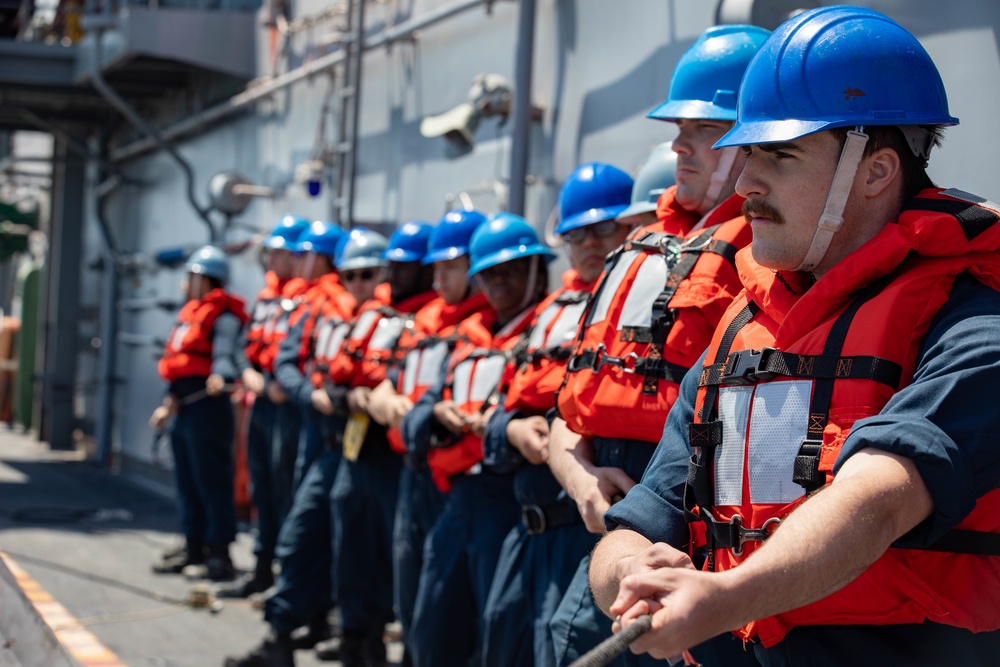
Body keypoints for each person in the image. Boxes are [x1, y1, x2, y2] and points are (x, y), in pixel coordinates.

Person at [593, 7, 1000, 667]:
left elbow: (883, 493)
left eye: (779, 155)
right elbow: (637, 521)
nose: (747, 181)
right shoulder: (739, 336)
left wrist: (727, 594)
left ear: (874, 172)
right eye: (747, 153)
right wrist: (633, 573)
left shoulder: (974, 327)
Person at [546, 25, 769, 667]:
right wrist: (576, 470)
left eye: (702, 129)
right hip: (598, 503)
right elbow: (571, 398)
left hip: (677, 515)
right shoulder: (653, 244)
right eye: (680, 129)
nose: (678, 144)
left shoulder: (766, 258)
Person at [479, 162, 635, 667]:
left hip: (584, 533)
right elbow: (499, 406)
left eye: (603, 228)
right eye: (576, 233)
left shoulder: (639, 313)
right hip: (524, 530)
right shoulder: (549, 314)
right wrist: (513, 429)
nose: (589, 242)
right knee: (498, 645)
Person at [224, 226, 383, 667]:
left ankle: (351, 637)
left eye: (369, 275)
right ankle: (285, 633)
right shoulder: (320, 313)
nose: (358, 284)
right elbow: (287, 362)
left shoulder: (389, 321)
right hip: (324, 438)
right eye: (351, 276)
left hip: (372, 453)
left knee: (360, 553)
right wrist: (312, 395)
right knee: (299, 535)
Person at [406, 213, 554, 667]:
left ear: (537, 270)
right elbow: (415, 417)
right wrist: (436, 414)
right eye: (490, 273)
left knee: (498, 636)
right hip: (454, 501)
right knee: (431, 627)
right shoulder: (465, 340)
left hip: (509, 502)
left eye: (512, 269)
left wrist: (492, 426)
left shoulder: (551, 333)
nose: (500, 282)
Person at [366, 208, 491, 667]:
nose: (438, 277)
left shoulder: (484, 329)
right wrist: (385, 402)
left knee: (449, 608)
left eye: (450, 267)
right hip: (412, 474)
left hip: (457, 482)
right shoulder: (426, 319)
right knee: (409, 590)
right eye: (435, 267)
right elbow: (385, 383)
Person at [325, 221, 438, 667]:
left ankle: (396, 649)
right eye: (390, 265)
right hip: (356, 455)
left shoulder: (438, 323)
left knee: (401, 570)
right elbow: (333, 384)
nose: (393, 274)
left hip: (401, 464)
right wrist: (355, 397)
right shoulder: (373, 317)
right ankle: (357, 642)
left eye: (404, 266)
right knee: (351, 554)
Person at [222, 214, 309, 599]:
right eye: (270, 253)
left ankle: (289, 575)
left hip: (291, 410)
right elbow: (244, 346)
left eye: (278, 253)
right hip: (262, 404)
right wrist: (250, 374)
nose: (271, 261)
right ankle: (262, 568)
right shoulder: (266, 298)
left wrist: (278, 385)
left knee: (286, 489)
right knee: (261, 488)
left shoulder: (310, 302)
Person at [150, 245, 248, 580]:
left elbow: (224, 353)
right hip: (185, 409)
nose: (185, 282)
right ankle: (193, 546)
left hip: (209, 408)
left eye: (191, 275)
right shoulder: (189, 314)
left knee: (212, 483)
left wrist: (222, 375)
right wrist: (167, 406)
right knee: (188, 482)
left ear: (206, 280)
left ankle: (219, 553)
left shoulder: (224, 318)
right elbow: (180, 369)